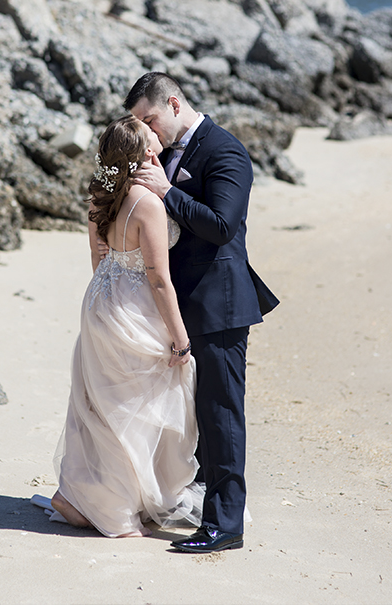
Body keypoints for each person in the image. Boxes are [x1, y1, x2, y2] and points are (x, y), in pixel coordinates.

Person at [126, 71, 279, 554]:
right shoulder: (165, 154)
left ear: (173, 104)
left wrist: (167, 191)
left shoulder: (225, 150)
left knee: (221, 414)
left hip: (221, 304)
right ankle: (195, 506)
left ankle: (225, 525)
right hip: (180, 306)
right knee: (190, 417)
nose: (148, 131)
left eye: (150, 119)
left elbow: (220, 225)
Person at [34, 115, 203, 538]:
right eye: (152, 137)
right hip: (134, 306)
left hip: (99, 301)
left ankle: (81, 494)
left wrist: (106, 298)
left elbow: (99, 259)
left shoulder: (101, 196)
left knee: (101, 402)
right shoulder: (148, 203)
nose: (158, 137)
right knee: (135, 408)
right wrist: (181, 340)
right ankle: (117, 510)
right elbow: (159, 279)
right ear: (147, 153)